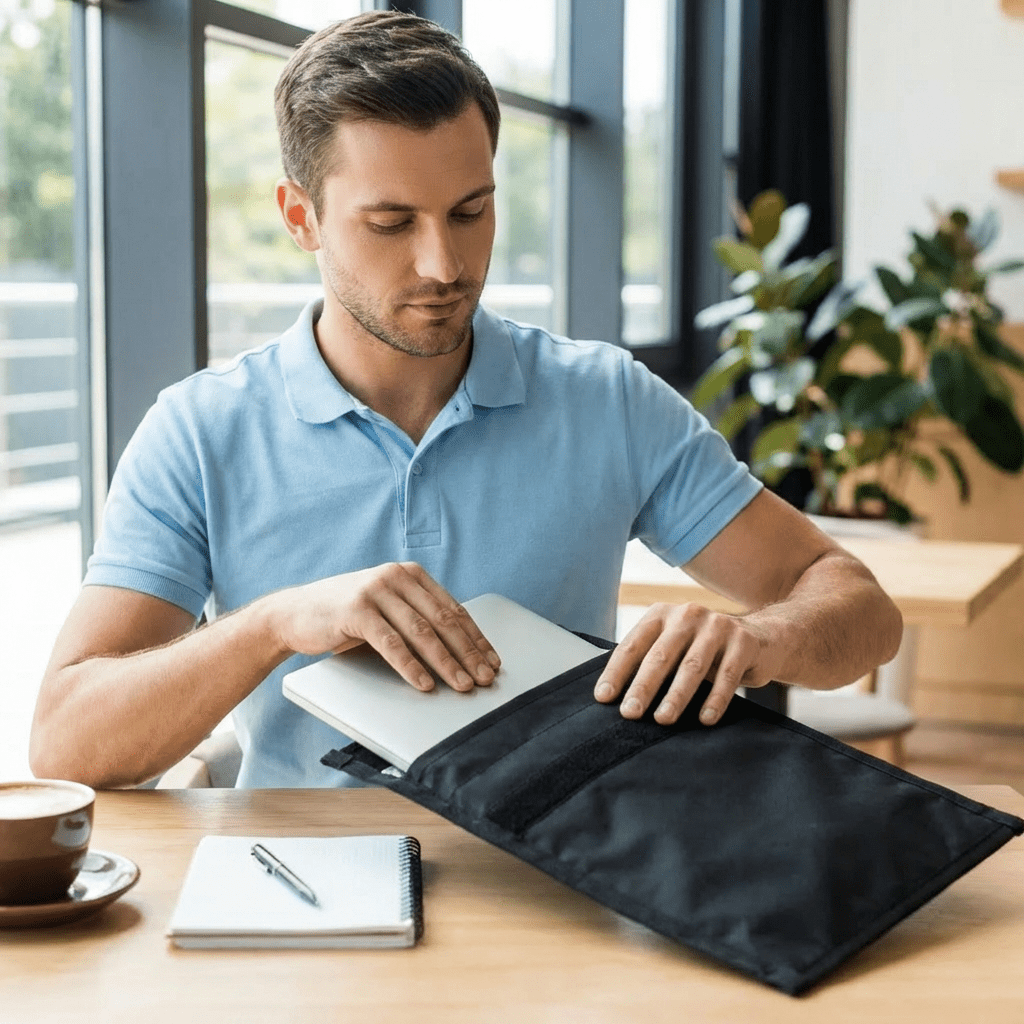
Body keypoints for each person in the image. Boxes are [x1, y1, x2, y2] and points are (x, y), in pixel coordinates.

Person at [30, 11, 901, 790]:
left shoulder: (607, 400)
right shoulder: (200, 430)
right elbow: (66, 743)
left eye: (471, 210)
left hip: (563, 882)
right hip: (300, 893)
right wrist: (273, 624)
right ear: (300, 218)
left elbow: (858, 606)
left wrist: (758, 643)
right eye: (391, 224)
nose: (445, 266)